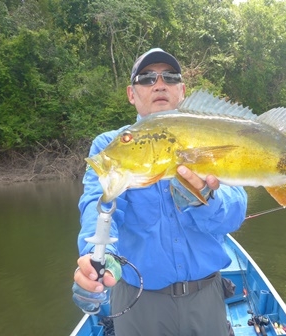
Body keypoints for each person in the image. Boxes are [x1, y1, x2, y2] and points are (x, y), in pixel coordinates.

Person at [72, 48, 248, 336]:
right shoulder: (111, 145)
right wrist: (99, 259)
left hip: (206, 298)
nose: (159, 83)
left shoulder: (212, 138)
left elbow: (234, 214)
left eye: (170, 76)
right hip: (138, 302)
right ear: (131, 93)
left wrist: (206, 199)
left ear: (182, 90)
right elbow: (99, 207)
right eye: (147, 78)